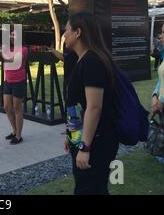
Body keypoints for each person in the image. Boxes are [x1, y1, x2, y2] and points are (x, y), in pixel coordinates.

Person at [63, 12, 119, 195]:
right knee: (89, 187)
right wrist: (72, 136)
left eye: (67, 30)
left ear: (78, 32)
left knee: (90, 189)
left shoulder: (92, 61)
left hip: (96, 142)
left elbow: (94, 107)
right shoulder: (82, 59)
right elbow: (80, 105)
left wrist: (84, 147)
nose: (64, 35)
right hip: (84, 139)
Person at [2, 30, 28, 145]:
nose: (12, 37)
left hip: (19, 81)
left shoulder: (23, 49)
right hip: (8, 81)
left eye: (14, 35)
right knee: (7, 107)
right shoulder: (8, 49)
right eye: (11, 34)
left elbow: (13, 60)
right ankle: (14, 130)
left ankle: (18, 135)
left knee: (17, 108)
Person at [151, 20, 164, 127]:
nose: (160, 36)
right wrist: (154, 95)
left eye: (163, 32)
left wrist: (163, 101)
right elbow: (161, 78)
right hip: (163, 110)